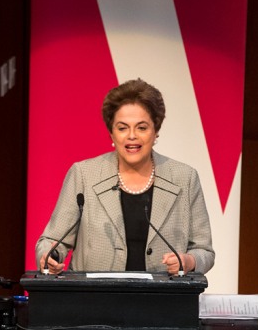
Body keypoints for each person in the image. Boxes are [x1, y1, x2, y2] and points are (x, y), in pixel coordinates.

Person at [35, 78, 214, 275]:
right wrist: (51, 257)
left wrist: (189, 261)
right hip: (94, 300)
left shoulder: (184, 178)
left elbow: (204, 251)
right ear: (111, 134)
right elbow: (50, 242)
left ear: (156, 132)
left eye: (142, 127)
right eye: (122, 128)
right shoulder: (84, 174)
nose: (132, 136)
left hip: (162, 300)